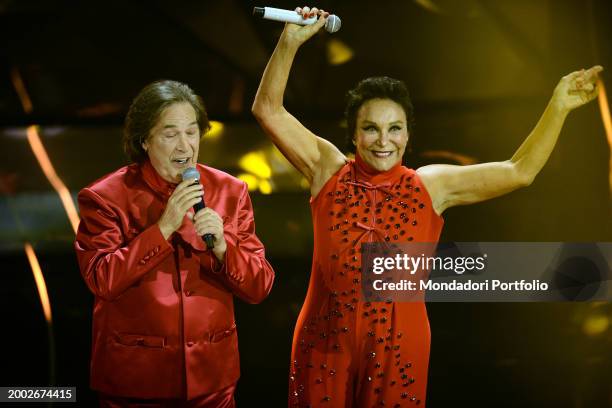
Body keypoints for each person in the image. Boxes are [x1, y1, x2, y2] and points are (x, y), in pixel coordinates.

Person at [251, 6, 602, 407]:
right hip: (323, 342)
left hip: (398, 349)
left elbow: (519, 170)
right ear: (353, 135)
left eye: (394, 128)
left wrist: (557, 107)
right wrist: (289, 42)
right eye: (371, 128)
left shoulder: (430, 185)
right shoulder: (327, 168)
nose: (384, 140)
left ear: (408, 135)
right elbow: (267, 110)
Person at [75, 80, 275, 408]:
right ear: (144, 140)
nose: (185, 147)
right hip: (136, 386)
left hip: (213, 383)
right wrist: (163, 227)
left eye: (191, 132)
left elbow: (260, 286)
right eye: (170, 135)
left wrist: (225, 249)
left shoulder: (230, 190)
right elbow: (102, 279)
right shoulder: (105, 197)